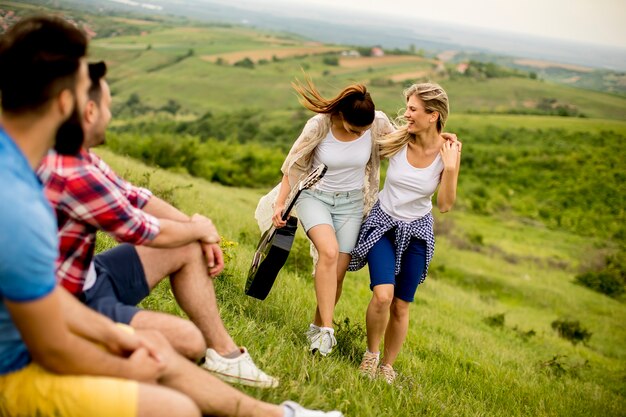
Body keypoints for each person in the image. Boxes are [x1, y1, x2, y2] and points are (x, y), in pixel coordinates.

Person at [0, 15, 344, 417]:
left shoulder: (25, 170)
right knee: (175, 404)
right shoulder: (22, 203)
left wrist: (114, 334)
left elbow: (48, 297)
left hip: (60, 308)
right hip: (17, 367)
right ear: (67, 104)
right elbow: (52, 344)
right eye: (82, 91)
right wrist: (123, 360)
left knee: (164, 350)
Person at [37, 61, 277, 388]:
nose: (110, 115)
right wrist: (200, 227)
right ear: (90, 112)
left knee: (187, 243)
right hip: (74, 305)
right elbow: (144, 230)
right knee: (188, 342)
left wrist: (198, 232)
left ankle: (226, 355)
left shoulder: (82, 157)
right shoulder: (73, 173)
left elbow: (136, 196)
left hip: (90, 275)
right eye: (108, 107)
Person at [261, 77, 394, 357]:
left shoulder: (377, 122)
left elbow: (402, 140)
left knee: (338, 274)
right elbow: (294, 165)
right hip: (314, 196)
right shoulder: (319, 125)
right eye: (353, 130)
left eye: (364, 132)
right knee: (329, 253)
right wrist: (280, 203)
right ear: (341, 116)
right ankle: (327, 331)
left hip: (351, 204)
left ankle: (316, 326)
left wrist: (437, 136)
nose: (359, 136)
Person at [349, 82, 461, 384]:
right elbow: (360, 130)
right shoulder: (398, 140)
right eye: (408, 107)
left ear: (433, 115)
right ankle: (370, 357)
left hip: (418, 232)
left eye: (413, 109)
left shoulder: (448, 153)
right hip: (383, 223)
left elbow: (446, 205)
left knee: (401, 304)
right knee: (383, 295)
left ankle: (388, 366)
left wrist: (449, 169)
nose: (407, 114)